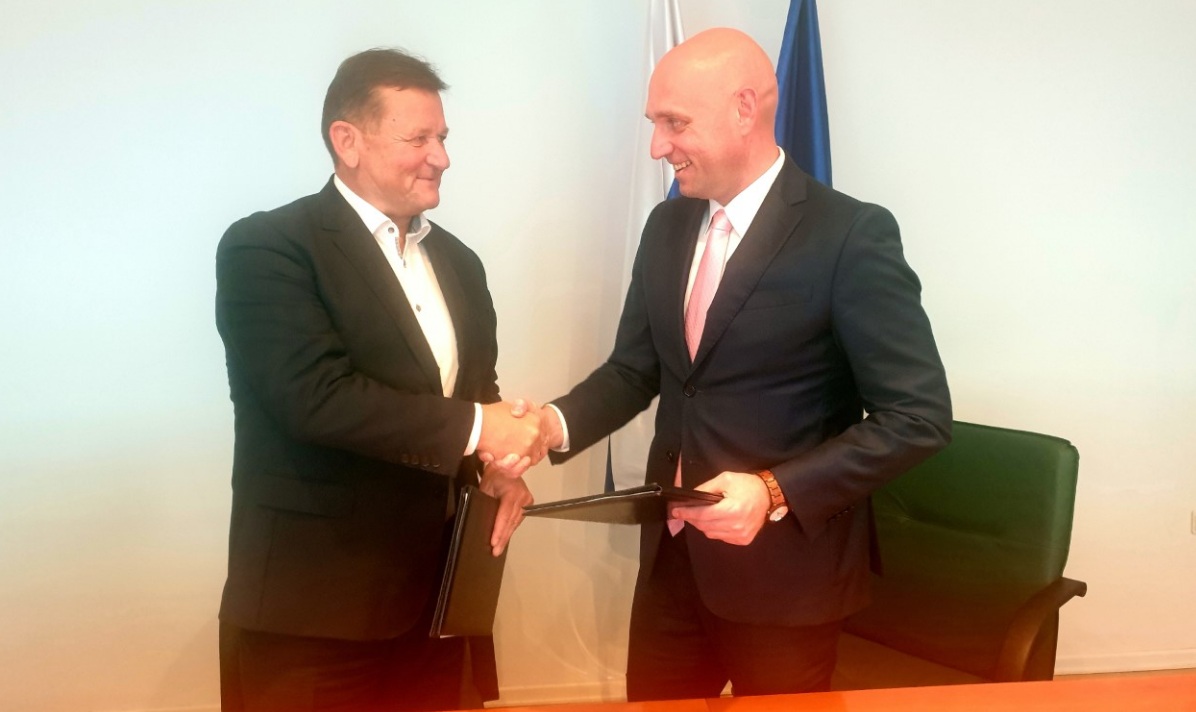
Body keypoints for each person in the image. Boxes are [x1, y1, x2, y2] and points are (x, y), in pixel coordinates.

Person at [537, 28, 952, 699]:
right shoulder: (667, 226)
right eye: (654, 123)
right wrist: (548, 426)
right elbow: (635, 371)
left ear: (744, 109)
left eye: (675, 123)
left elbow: (917, 417)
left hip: (788, 581)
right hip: (673, 564)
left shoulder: (849, 234)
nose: (657, 146)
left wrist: (774, 489)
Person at [214, 48, 543, 712]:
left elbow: (473, 395)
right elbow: (313, 398)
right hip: (314, 616)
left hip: (439, 608)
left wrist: (496, 467)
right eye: (418, 139)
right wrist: (480, 428)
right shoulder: (269, 247)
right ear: (348, 141)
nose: (441, 157)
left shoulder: (460, 262)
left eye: (442, 137)